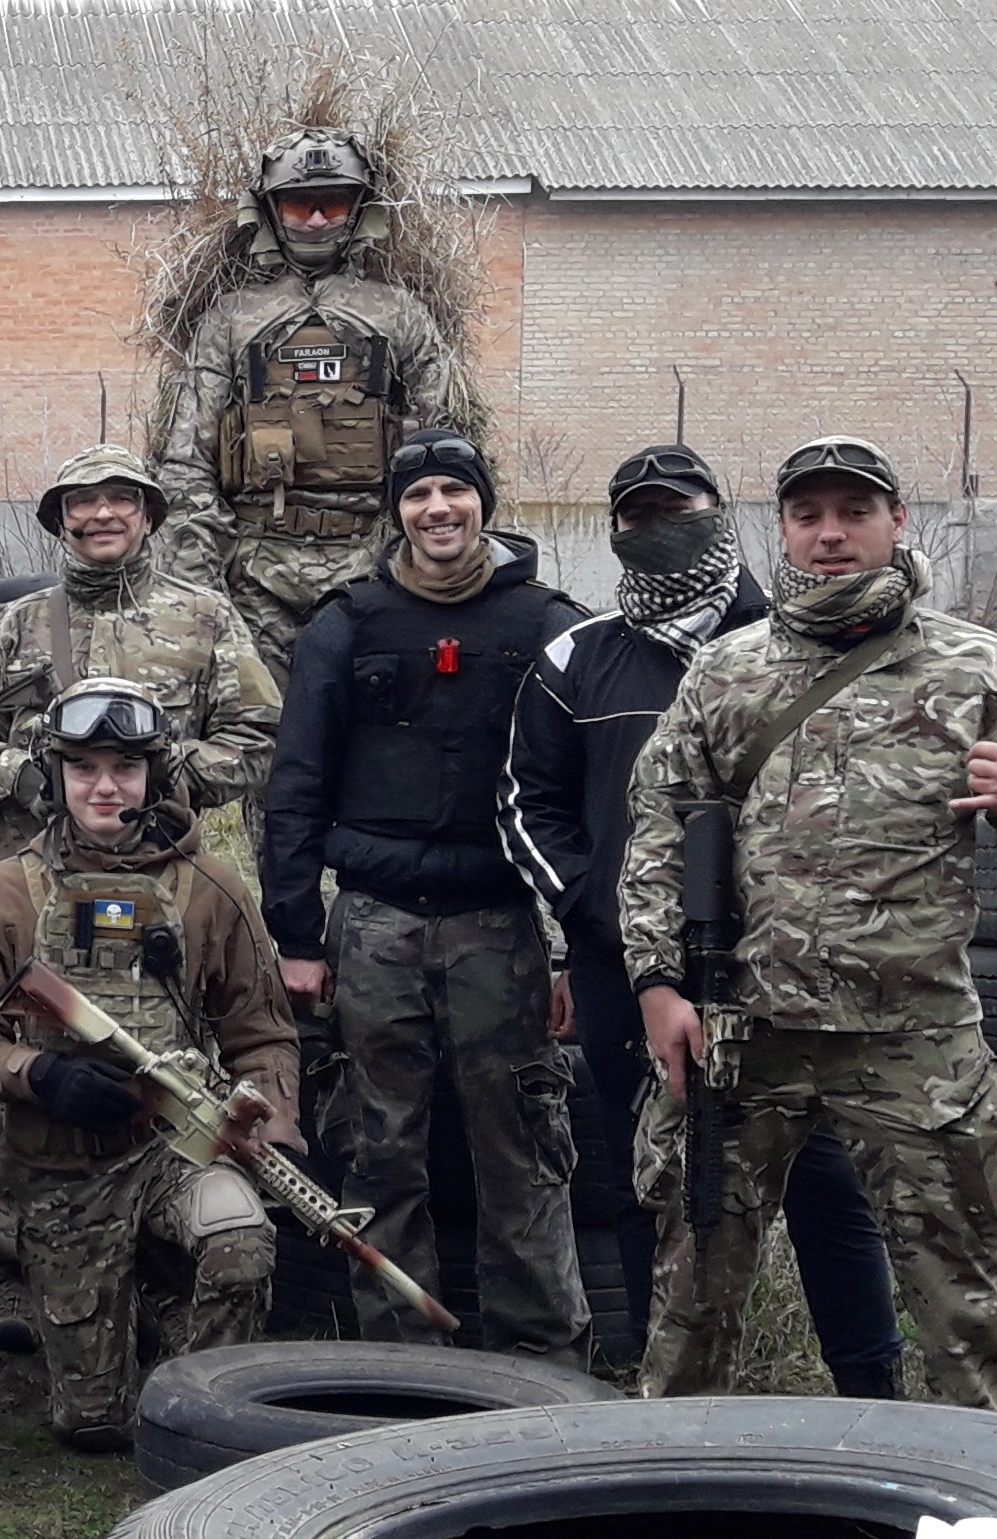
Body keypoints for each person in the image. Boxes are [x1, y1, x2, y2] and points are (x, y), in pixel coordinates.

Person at [624, 435, 997, 1415]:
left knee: (971, 1312)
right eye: (807, 515)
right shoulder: (725, 671)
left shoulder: (976, 667)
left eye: (853, 512)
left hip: (909, 1038)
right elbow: (657, 828)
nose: (830, 534)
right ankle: (672, 1475)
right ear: (782, 530)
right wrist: (657, 983)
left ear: (896, 522)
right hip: (739, 1035)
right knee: (688, 1305)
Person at [495, 444, 903, 1392]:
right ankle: (663, 1387)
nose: (657, 528)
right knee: (650, 1175)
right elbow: (526, 804)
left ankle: (871, 1389)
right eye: (637, 515)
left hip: (782, 967)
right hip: (625, 974)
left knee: (825, 1182)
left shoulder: (793, 637)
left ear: (719, 514)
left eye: (676, 510)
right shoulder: (576, 656)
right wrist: (592, 915)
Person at [262, 429, 588, 1359]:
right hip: (373, 924)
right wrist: (296, 935)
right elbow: (295, 784)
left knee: (521, 1146)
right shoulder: (345, 623)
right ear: (396, 512)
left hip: (498, 923)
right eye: (416, 495)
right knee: (378, 1149)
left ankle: (541, 1357)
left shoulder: (546, 625)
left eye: (454, 490)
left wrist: (577, 947)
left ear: (483, 503)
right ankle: (401, 1354)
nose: (436, 509)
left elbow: (581, 798)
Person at [0, 679, 300, 1450]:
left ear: (154, 774)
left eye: (125, 767)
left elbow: (261, 1032)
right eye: (84, 768)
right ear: (55, 775)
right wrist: (40, 1075)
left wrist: (262, 1115)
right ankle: (127, 1289)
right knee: (91, 1423)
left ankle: (199, 1411)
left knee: (238, 1245)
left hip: (173, 1150)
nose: (105, 787)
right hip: (59, 1167)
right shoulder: (1, 893)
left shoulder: (211, 889)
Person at [153, 129, 464, 692]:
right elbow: (184, 463)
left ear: (359, 210)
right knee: (257, 732)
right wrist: (202, 588)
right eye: (300, 206)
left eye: (333, 205)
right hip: (254, 580)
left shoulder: (399, 314)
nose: (317, 221)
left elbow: (446, 456)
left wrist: (416, 572)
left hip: (373, 574)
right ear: (272, 214)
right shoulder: (231, 318)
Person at [0, 444, 278, 857]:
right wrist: (25, 778)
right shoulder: (19, 621)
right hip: (33, 865)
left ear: (147, 517)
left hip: (161, 862)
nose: (103, 514)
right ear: (61, 523)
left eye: (122, 498)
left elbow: (257, 736)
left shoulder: (207, 618)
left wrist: (165, 775)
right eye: (83, 502)